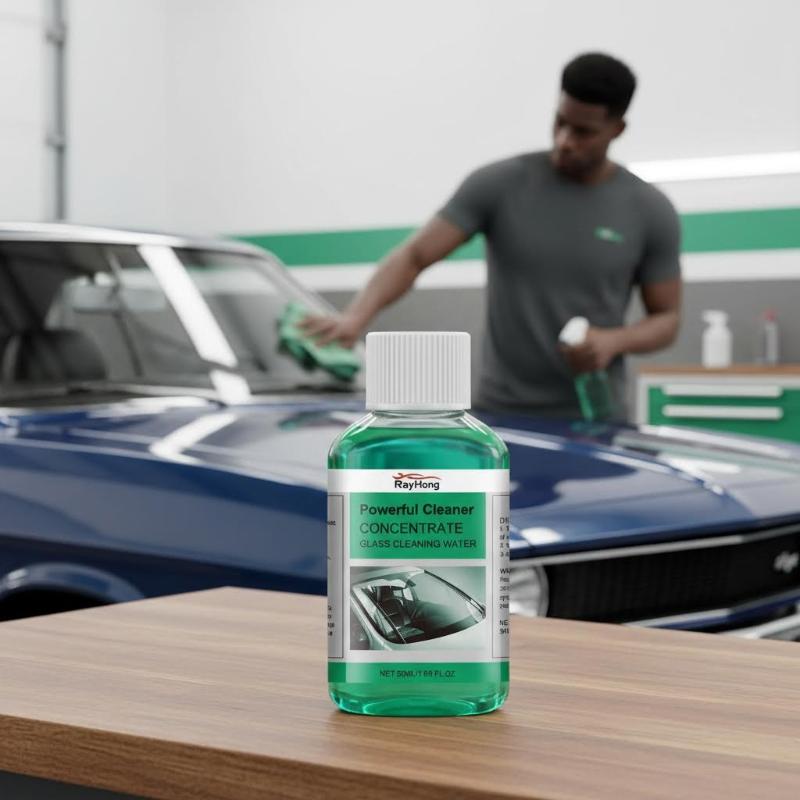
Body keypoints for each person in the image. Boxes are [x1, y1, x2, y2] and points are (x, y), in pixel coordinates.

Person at [301, 52, 682, 418]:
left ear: (617, 129)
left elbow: (667, 319)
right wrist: (355, 317)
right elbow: (415, 256)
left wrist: (614, 341)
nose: (565, 141)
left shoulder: (649, 209)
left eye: (584, 132)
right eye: (559, 122)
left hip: (596, 417)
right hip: (503, 413)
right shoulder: (500, 185)